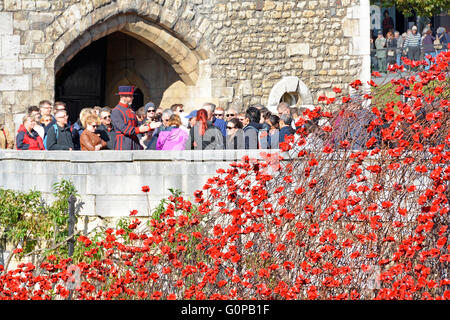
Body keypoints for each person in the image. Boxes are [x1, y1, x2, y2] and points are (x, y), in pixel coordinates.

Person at [111, 85, 150, 150]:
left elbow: (137, 124)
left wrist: (148, 126)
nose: (133, 98)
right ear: (123, 97)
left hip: (135, 143)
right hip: (123, 144)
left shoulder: (131, 109)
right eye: (130, 96)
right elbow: (124, 129)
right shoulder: (116, 111)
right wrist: (139, 129)